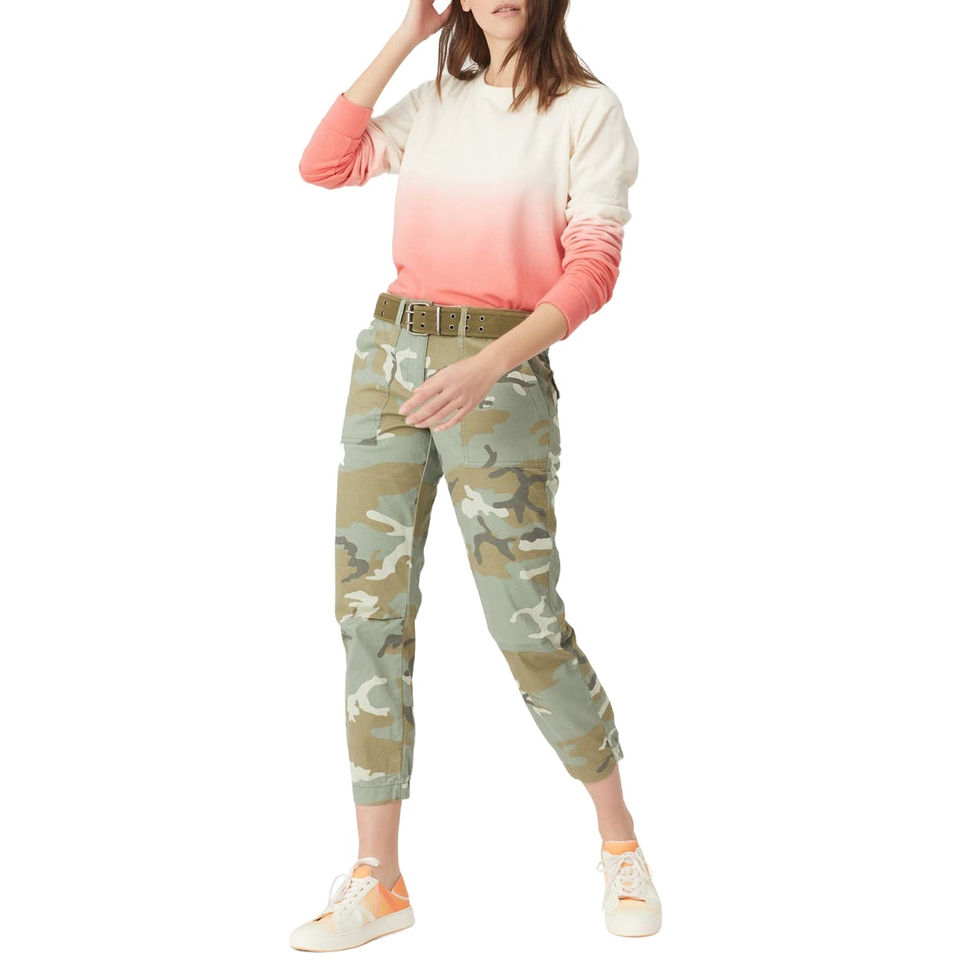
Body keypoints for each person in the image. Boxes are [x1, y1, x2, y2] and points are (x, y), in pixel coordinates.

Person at [290, 0, 661, 948]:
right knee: (368, 614)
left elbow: (593, 269)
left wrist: (489, 366)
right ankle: (379, 880)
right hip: (389, 361)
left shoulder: (586, 110)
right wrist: (408, 34)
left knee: (524, 619)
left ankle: (620, 842)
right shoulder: (437, 100)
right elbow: (324, 164)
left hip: (500, 373)